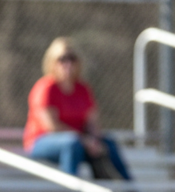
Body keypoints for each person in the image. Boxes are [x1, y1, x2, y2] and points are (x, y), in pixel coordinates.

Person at [23, 37, 132, 181]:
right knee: (71, 143)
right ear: (52, 62)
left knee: (108, 144)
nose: (67, 64)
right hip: (43, 142)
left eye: (72, 59)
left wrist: (94, 140)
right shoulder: (46, 88)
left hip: (80, 141)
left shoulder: (83, 89)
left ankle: (129, 190)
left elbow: (92, 122)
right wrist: (85, 140)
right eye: (62, 59)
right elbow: (52, 127)